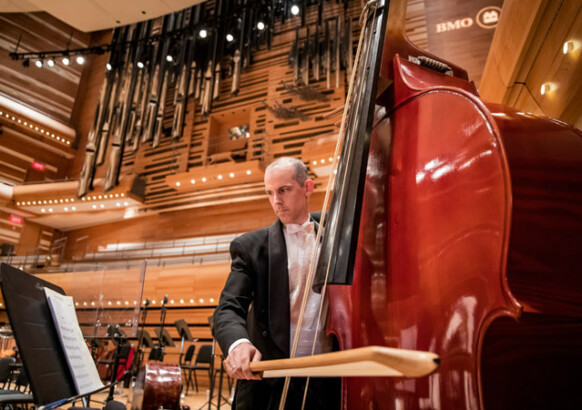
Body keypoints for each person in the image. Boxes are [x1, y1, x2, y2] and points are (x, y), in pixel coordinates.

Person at [212, 157, 340, 410]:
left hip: (328, 375)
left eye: (284, 190)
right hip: (269, 380)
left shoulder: (337, 233)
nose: (276, 201)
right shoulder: (250, 247)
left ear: (308, 188)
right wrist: (239, 343)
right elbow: (228, 308)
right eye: (270, 193)